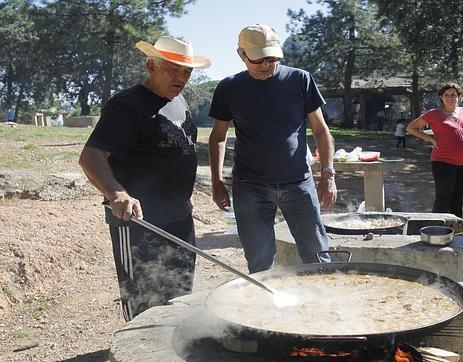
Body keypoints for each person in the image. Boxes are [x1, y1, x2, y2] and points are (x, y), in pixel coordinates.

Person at [78, 36, 211, 321]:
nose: (181, 78)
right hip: (138, 221)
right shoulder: (128, 106)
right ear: (151, 66)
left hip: (179, 217)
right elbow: (91, 156)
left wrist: (183, 196)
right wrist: (116, 193)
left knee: (179, 293)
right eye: (173, 70)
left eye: (186, 72)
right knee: (143, 299)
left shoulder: (179, 100)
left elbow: (175, 151)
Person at [208, 24, 336, 273]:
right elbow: (218, 138)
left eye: (272, 57)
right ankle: (267, 309)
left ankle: (325, 304)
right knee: (260, 261)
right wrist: (216, 182)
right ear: (241, 54)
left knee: (318, 255)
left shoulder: (300, 79)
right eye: (259, 59)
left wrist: (327, 175)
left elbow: (321, 130)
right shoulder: (229, 88)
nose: (267, 64)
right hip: (250, 186)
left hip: (299, 182)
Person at [407, 82, 463, 218]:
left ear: (459, 97)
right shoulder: (434, 114)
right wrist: (431, 140)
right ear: (441, 97)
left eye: (453, 95)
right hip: (443, 161)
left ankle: (457, 231)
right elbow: (411, 128)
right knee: (443, 198)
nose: (450, 98)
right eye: (446, 95)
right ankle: (437, 230)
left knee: (457, 198)